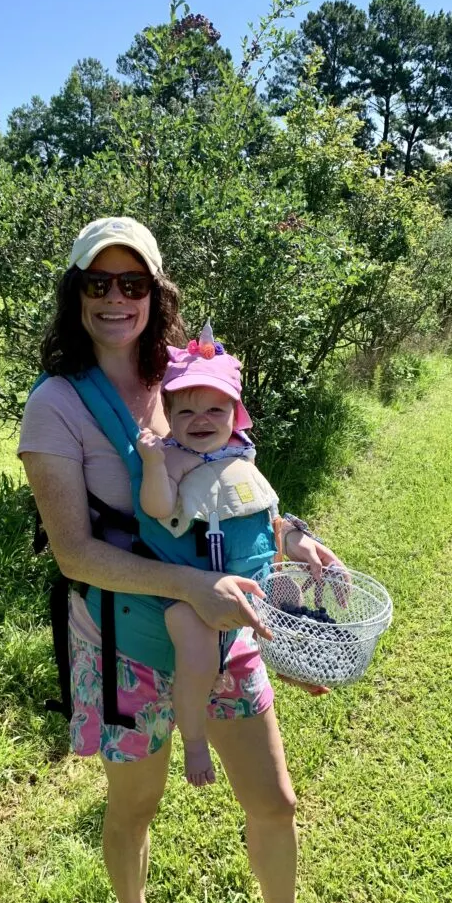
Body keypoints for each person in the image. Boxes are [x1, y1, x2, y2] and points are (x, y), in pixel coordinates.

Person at [19, 216, 345, 903]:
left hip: (225, 627)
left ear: (154, 291)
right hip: (123, 638)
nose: (115, 299)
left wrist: (296, 538)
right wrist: (191, 589)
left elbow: (236, 487)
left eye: (131, 282)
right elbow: (73, 554)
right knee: (135, 806)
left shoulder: (186, 373)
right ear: (76, 294)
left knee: (276, 801)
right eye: (98, 282)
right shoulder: (56, 405)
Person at [137, 322, 326, 789]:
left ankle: (300, 666)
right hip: (196, 593)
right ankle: (195, 738)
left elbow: (262, 511)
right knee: (197, 652)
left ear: (235, 414)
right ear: (170, 415)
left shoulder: (242, 453)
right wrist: (154, 465)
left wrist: (293, 537)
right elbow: (157, 508)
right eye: (186, 412)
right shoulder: (177, 458)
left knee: (295, 612)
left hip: (254, 578)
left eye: (215, 410)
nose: (200, 420)